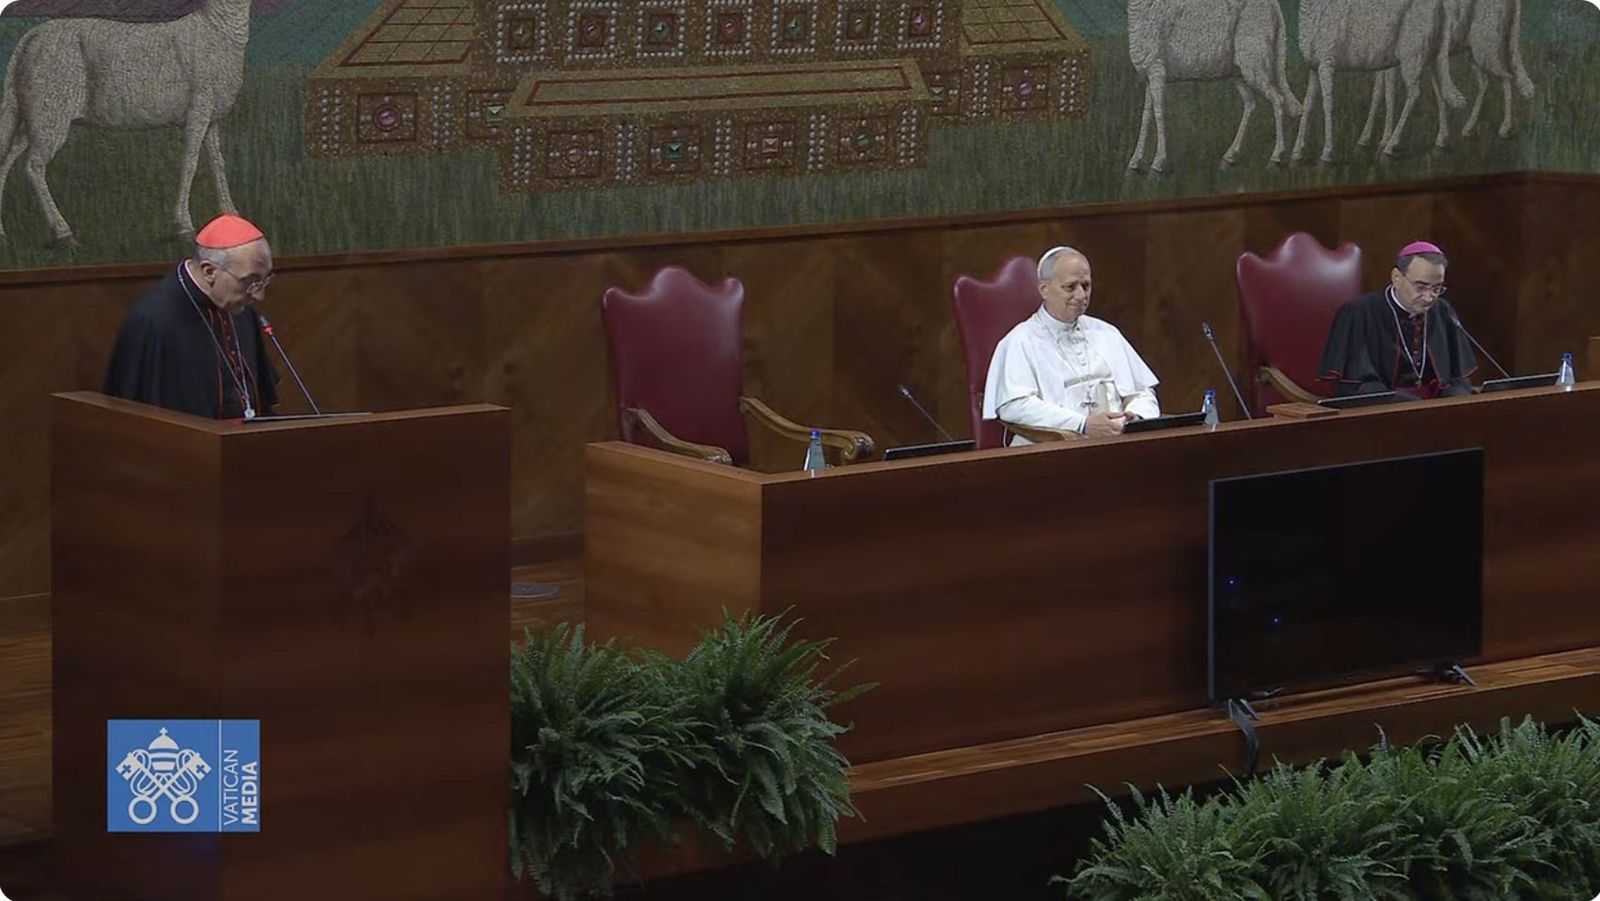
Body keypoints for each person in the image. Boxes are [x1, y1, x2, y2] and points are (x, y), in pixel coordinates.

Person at [104, 214, 280, 419]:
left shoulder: (239, 308)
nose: (259, 295)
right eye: (250, 282)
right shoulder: (155, 321)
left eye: (264, 280)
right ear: (209, 271)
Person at [982, 245, 1160, 444]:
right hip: (1050, 451)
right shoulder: (1019, 341)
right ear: (1044, 290)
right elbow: (1014, 406)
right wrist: (1082, 424)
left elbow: (1143, 391)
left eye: (1086, 286)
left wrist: (1134, 417)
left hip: (1116, 445)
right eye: (1070, 287)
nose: (1081, 295)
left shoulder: (1107, 333)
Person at [1318, 240, 1476, 399]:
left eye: (1437, 288)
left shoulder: (1442, 311)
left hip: (1433, 406)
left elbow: (1457, 378)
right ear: (1397, 278)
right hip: (1385, 410)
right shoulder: (1360, 313)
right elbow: (1355, 386)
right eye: (1421, 287)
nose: (1429, 298)